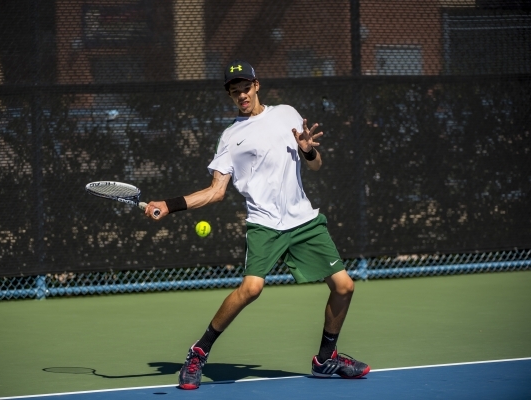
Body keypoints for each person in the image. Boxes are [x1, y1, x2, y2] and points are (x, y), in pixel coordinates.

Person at [144, 60, 370, 390]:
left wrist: (308, 151)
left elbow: (317, 165)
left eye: (245, 89)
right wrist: (169, 205)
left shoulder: (287, 115)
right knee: (251, 288)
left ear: (257, 85)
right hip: (264, 224)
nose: (241, 96)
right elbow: (215, 192)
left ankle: (325, 359)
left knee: (345, 286)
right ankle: (198, 352)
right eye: (234, 92)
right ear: (230, 96)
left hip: (304, 221)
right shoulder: (231, 137)